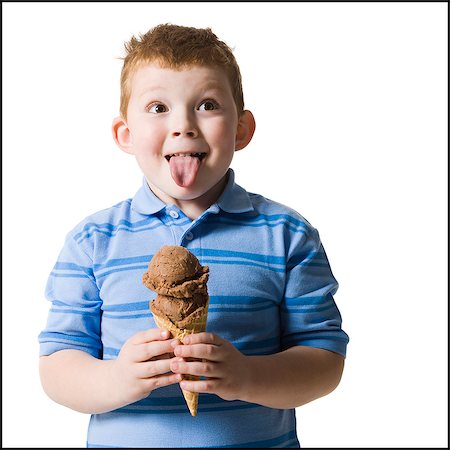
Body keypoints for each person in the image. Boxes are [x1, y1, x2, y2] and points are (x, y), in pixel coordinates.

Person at [39, 23, 349, 448]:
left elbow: (324, 361)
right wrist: (116, 378)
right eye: (157, 107)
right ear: (124, 135)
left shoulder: (287, 235)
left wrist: (248, 376)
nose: (183, 125)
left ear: (241, 129)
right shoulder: (92, 241)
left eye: (206, 104)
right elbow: (57, 366)